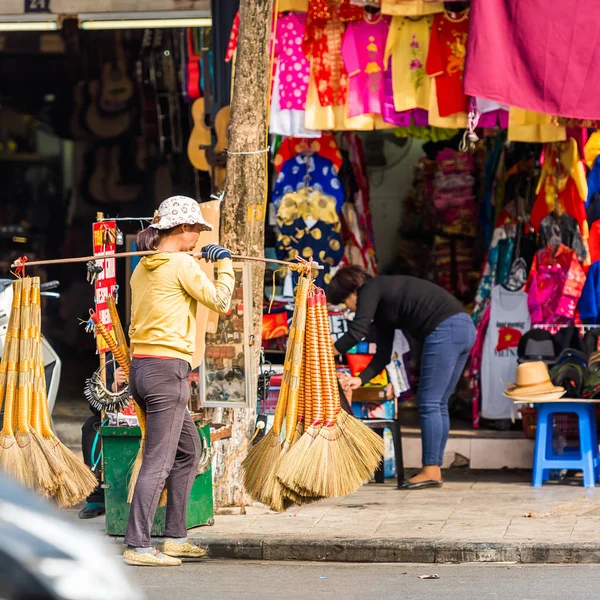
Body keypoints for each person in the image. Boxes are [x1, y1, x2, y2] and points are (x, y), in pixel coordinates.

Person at [123, 196, 235, 567]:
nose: (198, 239)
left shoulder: (142, 266)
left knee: (188, 451)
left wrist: (198, 263)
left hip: (143, 369)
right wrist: (225, 263)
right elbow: (220, 301)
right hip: (166, 371)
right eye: (197, 232)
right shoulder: (183, 264)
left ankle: (175, 537)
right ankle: (138, 545)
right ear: (183, 229)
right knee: (159, 458)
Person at [328, 265, 476, 490]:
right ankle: (433, 468)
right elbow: (382, 355)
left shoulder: (370, 287)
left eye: (343, 301)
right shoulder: (384, 309)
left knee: (428, 402)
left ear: (352, 292)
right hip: (463, 327)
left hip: (446, 328)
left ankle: (430, 469)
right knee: (438, 403)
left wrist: (330, 351)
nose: (348, 308)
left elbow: (357, 330)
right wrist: (360, 379)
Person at [78, 354, 127, 519]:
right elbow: (94, 406)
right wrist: (112, 387)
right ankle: (96, 496)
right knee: (91, 427)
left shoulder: (156, 356)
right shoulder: (112, 360)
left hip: (150, 419)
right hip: (116, 418)